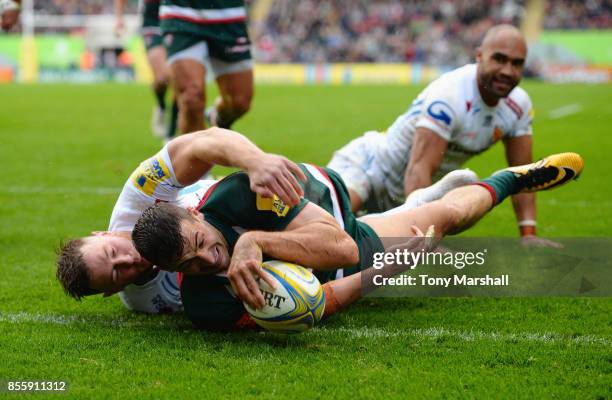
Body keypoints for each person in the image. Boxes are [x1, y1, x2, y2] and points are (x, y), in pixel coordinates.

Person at [131, 151, 584, 330]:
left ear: (195, 213)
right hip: (330, 261)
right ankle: (418, 200)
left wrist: (255, 241)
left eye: (201, 240)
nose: (208, 259)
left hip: (320, 198)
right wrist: (380, 276)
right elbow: (320, 300)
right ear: (175, 274)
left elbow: (342, 245)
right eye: (190, 264)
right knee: (434, 223)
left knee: (444, 219)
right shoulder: (206, 307)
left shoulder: (238, 192)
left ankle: (510, 179)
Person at [327, 25, 555, 247]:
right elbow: (419, 168)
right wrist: (425, 236)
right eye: (499, 59)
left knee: (356, 244)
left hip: (405, 196)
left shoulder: (519, 105)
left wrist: (528, 235)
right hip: (370, 168)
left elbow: (522, 173)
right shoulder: (450, 96)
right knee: (330, 229)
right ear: (479, 55)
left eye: (517, 64)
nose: (508, 71)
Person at [56, 127, 306, 313]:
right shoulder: (148, 302)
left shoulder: (139, 193)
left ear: (103, 234)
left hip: (274, 201)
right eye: (116, 274)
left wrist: (255, 161)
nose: (128, 259)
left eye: (113, 251)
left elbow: (204, 141)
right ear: (113, 291)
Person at [160, 0, 254, 133]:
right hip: (181, 12)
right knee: (191, 98)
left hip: (229, 16)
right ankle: (197, 152)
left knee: (240, 103)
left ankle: (217, 119)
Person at [114, 0, 177, 139]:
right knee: (162, 78)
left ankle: (170, 135)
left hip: (177, 21)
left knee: (179, 81)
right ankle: (161, 105)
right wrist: (119, 19)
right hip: (152, 22)